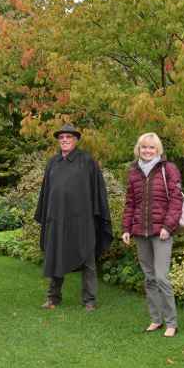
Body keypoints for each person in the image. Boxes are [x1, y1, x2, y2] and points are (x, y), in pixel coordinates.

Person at [35, 124, 113, 312]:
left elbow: (97, 190)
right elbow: (46, 192)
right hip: (57, 218)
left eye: (68, 137)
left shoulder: (87, 161)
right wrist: (45, 216)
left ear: (76, 140)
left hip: (82, 220)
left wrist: (97, 215)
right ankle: (53, 298)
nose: (64, 140)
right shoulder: (52, 163)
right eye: (61, 137)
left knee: (87, 259)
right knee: (56, 256)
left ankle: (90, 300)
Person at [121, 132, 183, 338]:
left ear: (158, 150)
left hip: (162, 232)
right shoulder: (133, 172)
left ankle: (171, 322)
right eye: (144, 147)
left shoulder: (168, 169)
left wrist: (168, 226)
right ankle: (156, 319)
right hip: (140, 232)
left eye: (151, 147)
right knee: (149, 278)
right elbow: (130, 203)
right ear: (139, 149)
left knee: (161, 277)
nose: (147, 151)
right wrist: (126, 229)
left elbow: (176, 201)